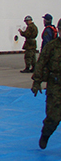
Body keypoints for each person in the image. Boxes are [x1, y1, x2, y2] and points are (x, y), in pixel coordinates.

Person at [31, 19, 61, 149]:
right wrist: (37, 82)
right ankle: (45, 134)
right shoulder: (52, 46)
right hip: (55, 86)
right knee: (53, 116)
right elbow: (41, 63)